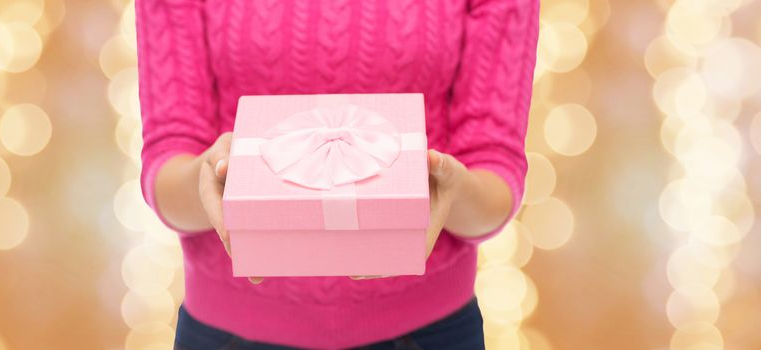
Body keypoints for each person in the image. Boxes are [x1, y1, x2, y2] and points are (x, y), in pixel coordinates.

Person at [135, 0, 539, 348]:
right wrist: (207, 176)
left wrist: (450, 188)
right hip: (228, 333)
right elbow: (169, 162)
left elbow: (494, 173)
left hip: (430, 332)